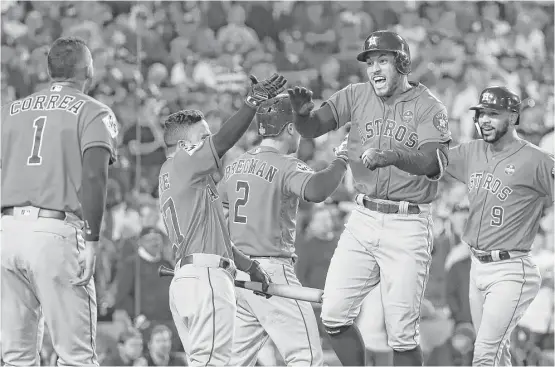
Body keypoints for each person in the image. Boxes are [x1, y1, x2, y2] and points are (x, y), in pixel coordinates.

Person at [287, 30, 452, 366]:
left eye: (383, 61)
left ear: (402, 63)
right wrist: (302, 115)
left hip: (408, 222)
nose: (375, 69)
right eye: (370, 63)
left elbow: (432, 160)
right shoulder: (356, 94)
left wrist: (393, 156)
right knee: (333, 315)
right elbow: (313, 128)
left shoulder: (428, 106)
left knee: (402, 333)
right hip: (363, 218)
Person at [1, 37, 118, 366]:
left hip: (7, 232)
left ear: (49, 69)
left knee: (15, 358)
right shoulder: (94, 111)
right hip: (54, 232)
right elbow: (95, 176)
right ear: (87, 70)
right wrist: (93, 241)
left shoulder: (8, 111)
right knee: (76, 356)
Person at [158, 73, 286, 366]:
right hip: (206, 279)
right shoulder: (183, 162)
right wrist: (252, 103)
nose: (208, 143)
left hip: (188, 278)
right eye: (202, 138)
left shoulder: (177, 177)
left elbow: (216, 238)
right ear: (182, 145)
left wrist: (248, 265)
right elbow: (224, 141)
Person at [220, 94, 349, 366]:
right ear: (289, 128)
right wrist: (342, 160)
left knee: (232, 361)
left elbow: (220, 211)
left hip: (238, 272)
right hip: (271, 272)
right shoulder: (284, 163)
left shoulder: (235, 165)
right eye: (299, 127)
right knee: (306, 357)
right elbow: (317, 190)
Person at [445, 86, 554, 366]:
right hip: (477, 266)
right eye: (481, 113)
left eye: (493, 113)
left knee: (484, 354)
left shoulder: (537, 159)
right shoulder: (473, 151)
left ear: (513, 117)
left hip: (511, 267)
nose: (484, 119)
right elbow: (431, 161)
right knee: (497, 353)